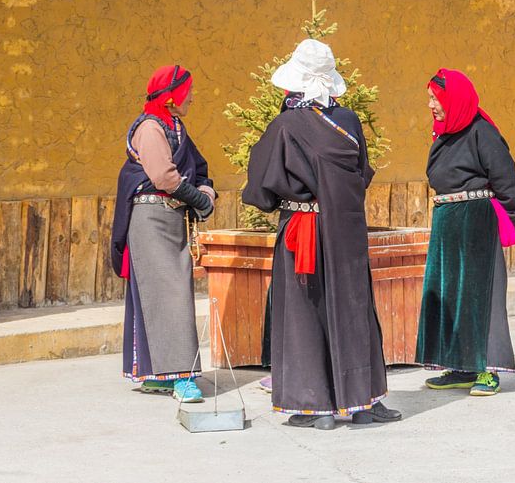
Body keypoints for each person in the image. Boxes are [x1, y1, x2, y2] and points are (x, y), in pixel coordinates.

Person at [242, 39, 401, 430]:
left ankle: (317, 408)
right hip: (345, 228)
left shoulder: (284, 126)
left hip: (301, 230)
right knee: (353, 307)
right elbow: (361, 173)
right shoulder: (348, 123)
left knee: (304, 312)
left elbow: (261, 188)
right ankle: (362, 402)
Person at [415, 69, 515, 396]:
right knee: (451, 294)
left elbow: (507, 181)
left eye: (436, 99)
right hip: (448, 221)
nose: (432, 106)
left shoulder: (483, 133)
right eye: (430, 99)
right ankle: (461, 366)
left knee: (483, 295)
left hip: (477, 221)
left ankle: (488, 369)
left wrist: (510, 212)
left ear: (455, 100)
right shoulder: (444, 135)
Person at [110, 65, 216, 403]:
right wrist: (199, 199)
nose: (192, 97)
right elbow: (164, 178)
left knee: (170, 293)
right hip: (151, 220)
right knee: (169, 296)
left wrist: (206, 191)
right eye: (188, 92)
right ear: (172, 98)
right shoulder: (151, 128)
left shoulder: (175, 127)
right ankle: (182, 375)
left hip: (170, 218)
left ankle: (160, 373)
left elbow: (197, 167)